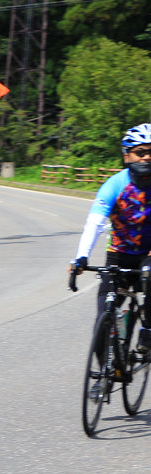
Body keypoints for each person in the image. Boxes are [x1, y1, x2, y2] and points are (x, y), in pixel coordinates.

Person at [72, 123, 151, 351]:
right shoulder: (115, 185)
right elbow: (95, 223)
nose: (146, 157)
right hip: (118, 256)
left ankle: (147, 329)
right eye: (140, 152)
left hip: (148, 254)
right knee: (102, 321)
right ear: (127, 156)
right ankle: (102, 382)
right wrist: (81, 257)